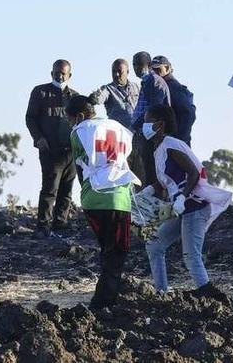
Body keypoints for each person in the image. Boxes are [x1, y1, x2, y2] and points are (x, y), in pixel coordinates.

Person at [143, 104, 231, 297]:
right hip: (180, 209)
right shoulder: (158, 149)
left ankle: (210, 295)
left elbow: (193, 172)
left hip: (194, 207)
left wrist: (182, 197)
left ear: (160, 124)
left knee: (191, 256)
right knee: (154, 245)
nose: (144, 125)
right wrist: (150, 190)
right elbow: (166, 183)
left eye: (148, 121)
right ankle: (162, 293)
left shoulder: (171, 145)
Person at [66, 96, 135, 310]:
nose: (70, 124)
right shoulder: (120, 127)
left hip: (93, 197)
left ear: (79, 116)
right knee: (117, 251)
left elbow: (79, 167)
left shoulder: (78, 132)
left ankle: (105, 297)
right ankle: (105, 300)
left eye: (70, 120)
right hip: (119, 198)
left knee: (107, 249)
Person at [26, 59, 81, 236]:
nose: (59, 76)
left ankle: (61, 223)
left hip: (70, 151)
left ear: (69, 75)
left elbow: (83, 121)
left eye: (63, 73)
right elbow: (30, 118)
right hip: (50, 150)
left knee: (67, 189)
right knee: (50, 188)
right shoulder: (40, 92)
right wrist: (39, 138)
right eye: (56, 73)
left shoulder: (75, 97)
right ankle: (43, 225)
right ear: (51, 73)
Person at [131, 52, 171, 187]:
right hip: (144, 134)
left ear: (148, 65)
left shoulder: (154, 82)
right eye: (134, 65)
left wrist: (139, 123)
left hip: (152, 136)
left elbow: (155, 110)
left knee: (152, 175)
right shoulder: (146, 82)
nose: (136, 68)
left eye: (139, 65)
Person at [150, 56, 196, 146]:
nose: (154, 73)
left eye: (158, 69)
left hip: (175, 144)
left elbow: (189, 113)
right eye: (152, 70)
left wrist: (178, 140)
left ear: (167, 68)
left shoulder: (174, 88)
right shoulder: (160, 87)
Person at [88, 59, 139, 130]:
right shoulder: (107, 89)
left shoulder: (136, 87)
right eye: (114, 71)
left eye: (119, 71)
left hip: (137, 132)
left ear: (127, 72)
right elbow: (97, 99)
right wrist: (94, 97)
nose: (116, 74)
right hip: (119, 134)